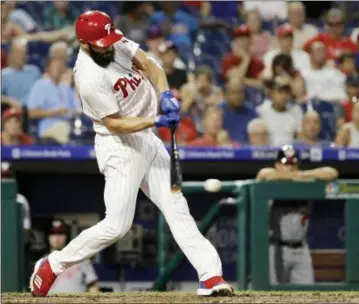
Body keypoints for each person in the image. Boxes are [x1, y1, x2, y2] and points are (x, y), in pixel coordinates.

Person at [30, 10, 233, 297]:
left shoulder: (111, 40)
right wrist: (155, 120)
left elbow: (150, 64)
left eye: (109, 39)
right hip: (119, 146)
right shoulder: (88, 76)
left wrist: (166, 95)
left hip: (147, 139)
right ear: (84, 43)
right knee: (117, 225)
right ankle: (53, 264)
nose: (109, 45)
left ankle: (210, 276)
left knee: (178, 210)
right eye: (102, 43)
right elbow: (114, 123)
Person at [256, 145, 338, 285]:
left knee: (307, 295)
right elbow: (264, 173)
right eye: (285, 163)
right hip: (277, 248)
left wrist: (302, 175)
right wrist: (293, 176)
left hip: (301, 249)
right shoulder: (270, 179)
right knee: (275, 297)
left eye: (292, 163)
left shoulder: (305, 181)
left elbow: (332, 172)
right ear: (276, 165)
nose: (289, 167)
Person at [27, 58, 81, 144]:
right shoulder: (40, 85)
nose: (58, 69)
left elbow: (79, 110)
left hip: (70, 125)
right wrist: (55, 112)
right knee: (63, 128)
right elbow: (31, 113)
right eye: (55, 67)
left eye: (60, 67)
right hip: (49, 127)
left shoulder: (66, 88)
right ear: (48, 69)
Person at [39, 219, 99, 295]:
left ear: (67, 236)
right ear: (47, 237)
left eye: (60, 233)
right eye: (53, 233)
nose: (57, 237)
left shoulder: (80, 258)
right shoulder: (42, 262)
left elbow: (93, 286)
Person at [257, 77, 303, 146]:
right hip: (268, 151)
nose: (283, 96)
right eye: (280, 92)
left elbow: (301, 136)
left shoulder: (296, 111)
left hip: (289, 151)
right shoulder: (261, 110)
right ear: (272, 93)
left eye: (286, 92)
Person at [180, 65, 224, 133]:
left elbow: (222, 112)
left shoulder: (217, 91)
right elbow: (183, 110)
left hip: (212, 127)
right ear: (195, 80)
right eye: (201, 80)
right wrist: (195, 93)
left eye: (206, 80)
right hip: (192, 126)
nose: (204, 83)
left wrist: (212, 102)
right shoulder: (187, 89)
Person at [1, 39, 41, 109]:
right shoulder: (4, 74)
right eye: (18, 53)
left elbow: (42, 90)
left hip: (36, 109)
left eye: (24, 53)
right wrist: (9, 100)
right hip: (17, 111)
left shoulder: (34, 70)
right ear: (11, 55)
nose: (21, 56)